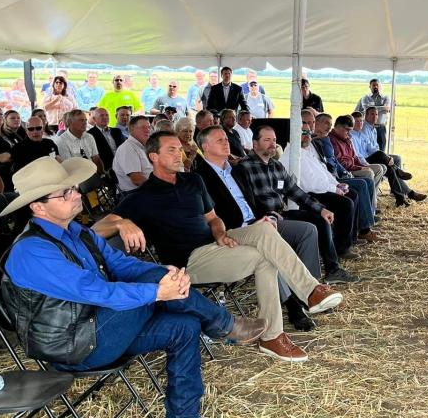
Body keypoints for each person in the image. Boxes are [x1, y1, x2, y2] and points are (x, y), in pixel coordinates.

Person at [0, 156, 267, 418]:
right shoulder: (32, 251)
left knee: (185, 325)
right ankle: (225, 325)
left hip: (99, 325)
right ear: (38, 206)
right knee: (155, 286)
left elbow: (121, 264)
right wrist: (158, 290)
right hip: (73, 345)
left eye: (74, 187)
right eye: (65, 192)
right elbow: (98, 291)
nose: (77, 194)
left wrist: (163, 272)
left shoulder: (77, 232)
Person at [95, 131, 344, 361]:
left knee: (264, 230)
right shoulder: (142, 197)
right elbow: (95, 230)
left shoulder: (193, 180)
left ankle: (308, 294)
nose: (179, 154)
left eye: (179, 149)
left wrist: (220, 233)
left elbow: (213, 218)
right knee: (265, 258)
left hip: (216, 244)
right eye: (171, 150)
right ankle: (279, 329)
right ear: (154, 157)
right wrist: (123, 223)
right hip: (190, 260)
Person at [193, 127, 323, 331]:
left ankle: (311, 292)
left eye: (227, 138)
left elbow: (253, 201)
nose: (227, 142)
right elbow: (211, 216)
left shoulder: (236, 170)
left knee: (307, 230)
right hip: (234, 230)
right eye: (220, 140)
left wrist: (267, 215)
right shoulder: (199, 177)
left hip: (256, 222)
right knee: (267, 246)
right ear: (205, 147)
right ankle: (294, 305)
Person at [237, 124, 359, 284]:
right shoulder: (244, 167)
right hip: (265, 220)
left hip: (282, 213)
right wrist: (267, 215)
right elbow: (246, 202)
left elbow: (295, 191)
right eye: (267, 140)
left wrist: (321, 209)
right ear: (255, 144)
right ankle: (308, 282)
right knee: (310, 228)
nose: (272, 144)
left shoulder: (276, 165)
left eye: (274, 140)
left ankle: (333, 270)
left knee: (320, 219)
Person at [283, 117, 378, 251]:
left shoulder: (307, 149)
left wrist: (336, 184)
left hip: (323, 186)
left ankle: (351, 239)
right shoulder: (293, 155)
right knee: (346, 203)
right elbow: (311, 182)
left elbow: (323, 170)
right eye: (304, 133)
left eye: (309, 132)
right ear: (293, 134)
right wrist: (334, 188)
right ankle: (342, 248)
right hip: (308, 194)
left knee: (353, 194)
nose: (308, 136)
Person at [351, 110, 425, 203]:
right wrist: (369, 164)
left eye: (361, 121)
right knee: (381, 156)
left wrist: (387, 158)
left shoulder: (363, 133)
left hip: (370, 156)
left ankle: (400, 198)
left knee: (391, 165)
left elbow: (371, 147)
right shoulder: (353, 135)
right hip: (362, 161)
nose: (360, 123)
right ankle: (400, 174)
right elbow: (357, 155)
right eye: (357, 121)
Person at [113, 115, 153, 193]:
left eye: (149, 127)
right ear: (131, 129)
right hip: (135, 193)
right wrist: (160, 189)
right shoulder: (128, 148)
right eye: (143, 127)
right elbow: (137, 179)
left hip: (146, 189)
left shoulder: (143, 146)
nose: (147, 130)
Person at [355, 78, 390, 150]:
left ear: (380, 86)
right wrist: (382, 108)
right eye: (373, 85)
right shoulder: (365, 98)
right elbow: (367, 109)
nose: (375, 87)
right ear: (370, 87)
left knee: (381, 149)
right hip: (367, 127)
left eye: (377, 85)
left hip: (381, 128)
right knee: (368, 149)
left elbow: (387, 108)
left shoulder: (386, 97)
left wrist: (372, 108)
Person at [87, 107, 122, 171]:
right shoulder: (90, 134)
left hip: (122, 165)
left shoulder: (117, 131)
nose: (105, 117)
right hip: (106, 169)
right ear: (94, 119)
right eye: (101, 115)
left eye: (107, 115)